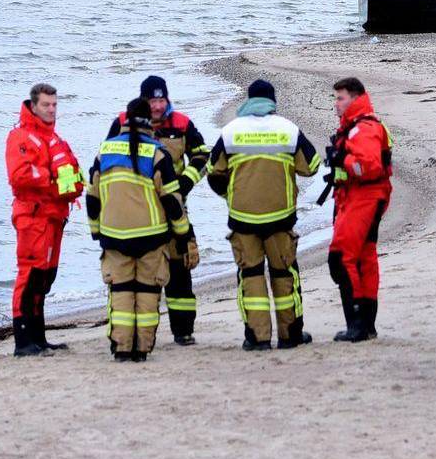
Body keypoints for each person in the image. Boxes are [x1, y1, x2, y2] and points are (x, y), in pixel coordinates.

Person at [207, 79, 323, 350]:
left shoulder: (231, 131)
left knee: (251, 277)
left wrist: (230, 194)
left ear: (249, 100)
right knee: (284, 275)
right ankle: (290, 335)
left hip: (242, 218)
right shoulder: (289, 130)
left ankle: (258, 339)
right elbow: (312, 166)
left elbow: (213, 171)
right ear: (273, 102)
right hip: (281, 217)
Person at [91, 97, 197, 362]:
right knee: (148, 294)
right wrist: (183, 234)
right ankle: (142, 349)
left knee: (121, 293)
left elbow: (92, 197)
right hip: (151, 237)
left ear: (125, 120)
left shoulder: (104, 151)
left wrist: (96, 231)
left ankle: (122, 348)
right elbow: (173, 202)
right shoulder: (158, 153)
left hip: (114, 236)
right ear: (149, 122)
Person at [106, 75, 210, 345]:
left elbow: (202, 155)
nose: (157, 106)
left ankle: (183, 331)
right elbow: (107, 161)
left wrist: (185, 183)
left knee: (180, 268)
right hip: (137, 209)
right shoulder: (121, 123)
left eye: (161, 99)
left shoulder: (182, 124)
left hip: (174, 204)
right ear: (143, 101)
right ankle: (131, 332)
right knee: (135, 274)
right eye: (152, 101)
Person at [4, 83, 85, 357]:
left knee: (45, 278)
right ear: (33, 105)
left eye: (54, 105)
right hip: (32, 216)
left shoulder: (55, 140)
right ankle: (23, 342)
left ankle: (39, 339)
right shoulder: (20, 137)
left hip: (54, 217)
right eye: (46, 105)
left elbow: (73, 180)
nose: (51, 110)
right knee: (30, 274)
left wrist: (64, 185)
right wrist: (51, 181)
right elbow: (20, 176)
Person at [325, 77, 393, 342]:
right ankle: (365, 325)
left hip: (364, 197)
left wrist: (342, 159)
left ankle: (357, 325)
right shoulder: (357, 126)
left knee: (342, 258)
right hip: (359, 196)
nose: (336, 104)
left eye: (340, 98)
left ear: (355, 98)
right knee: (364, 259)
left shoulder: (363, 129)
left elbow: (369, 166)